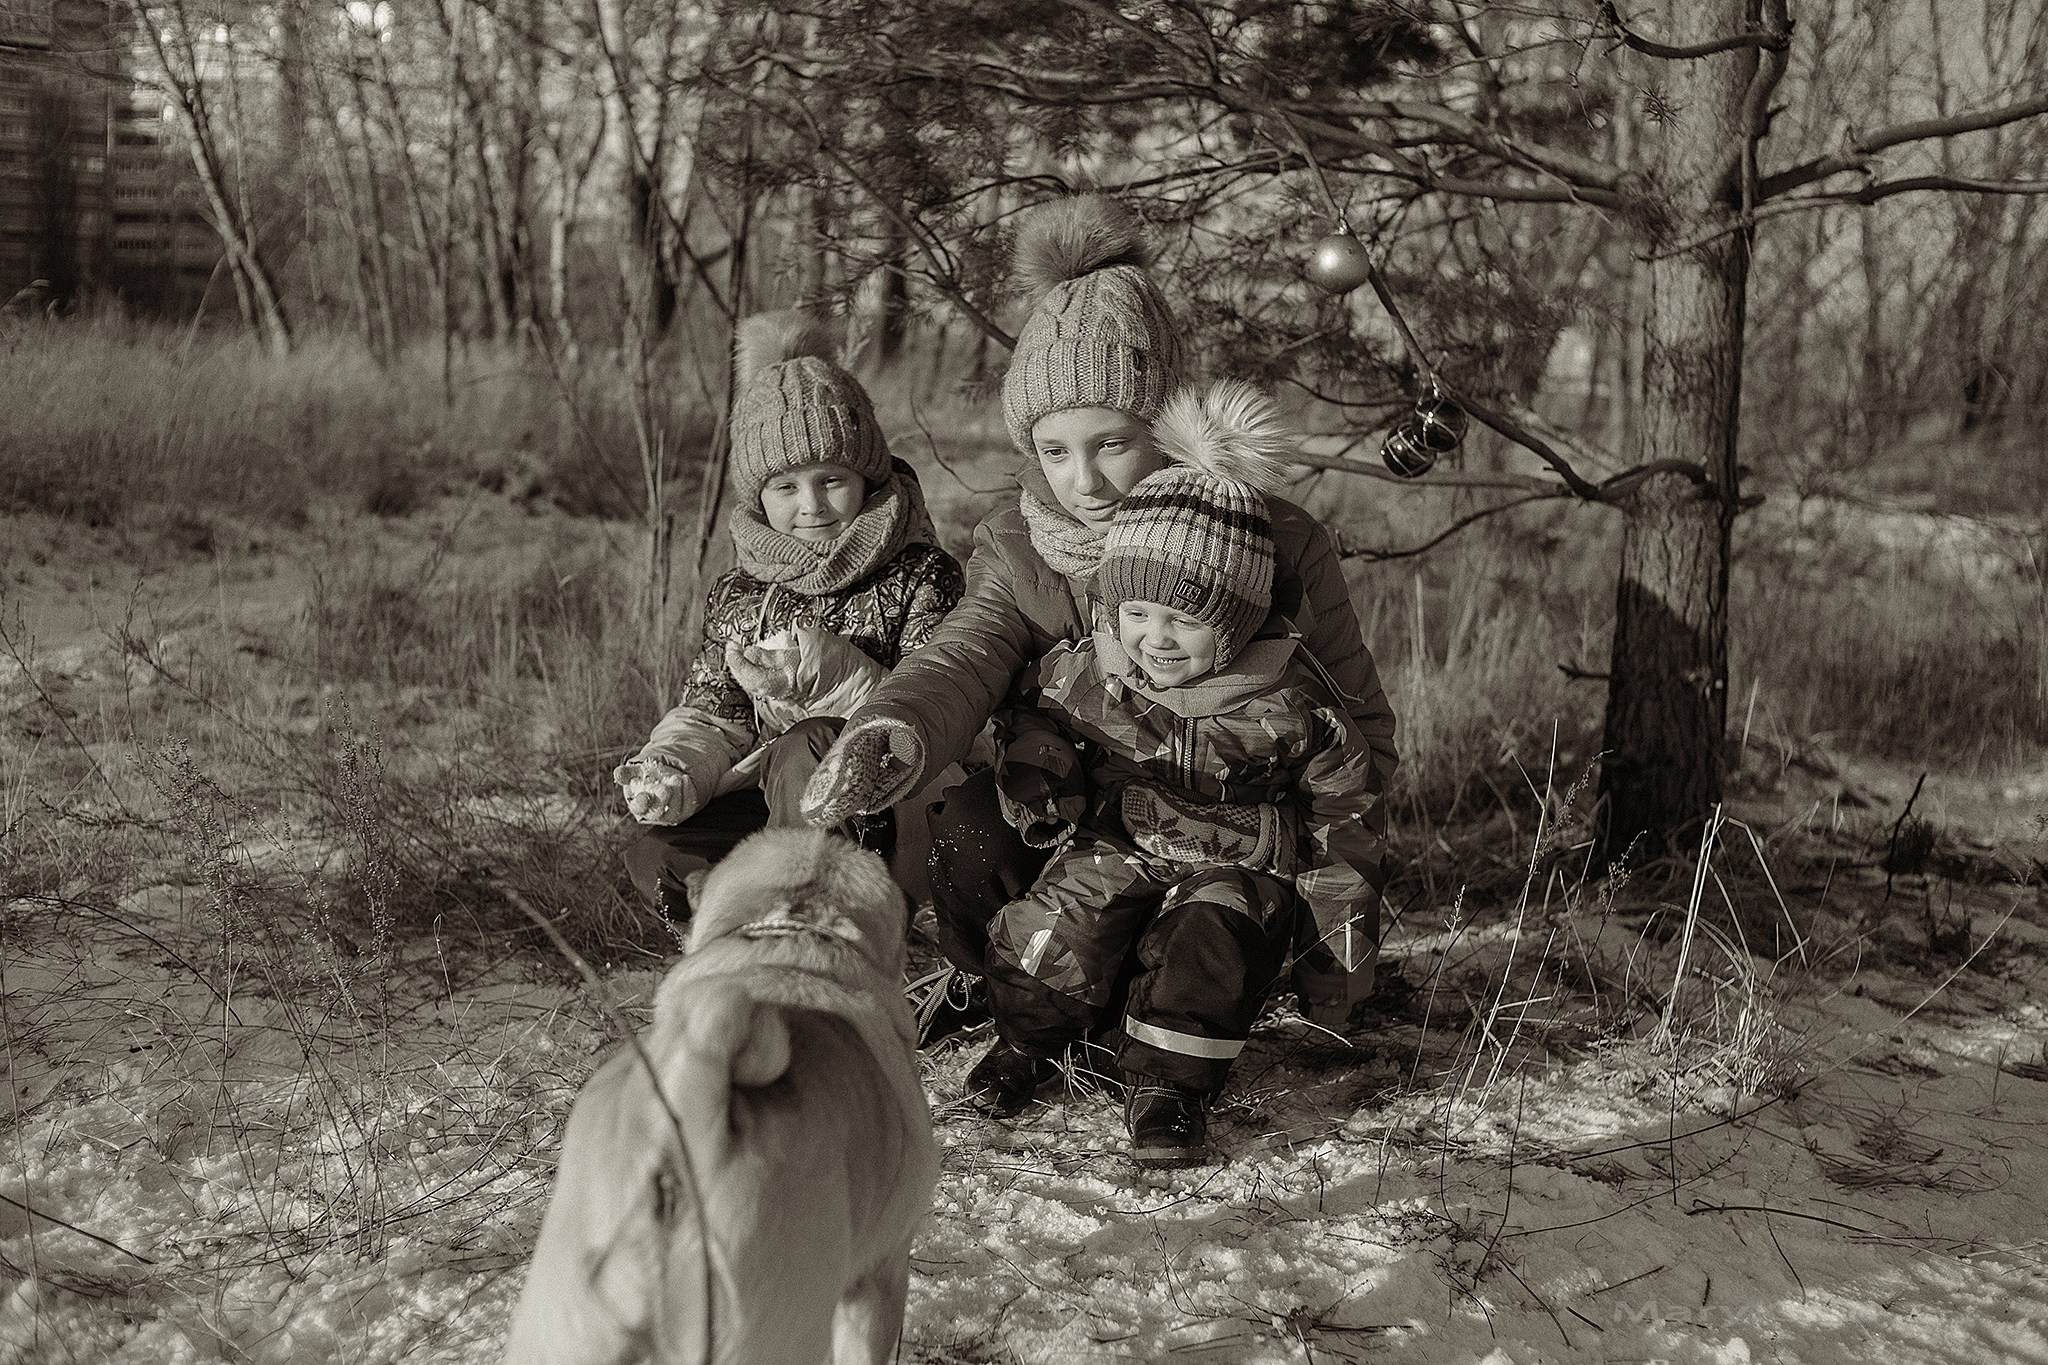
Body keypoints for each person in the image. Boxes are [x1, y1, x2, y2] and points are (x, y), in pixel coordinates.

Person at [799, 193, 1397, 1010]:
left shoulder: (1272, 540)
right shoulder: (1018, 537)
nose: (1083, 482)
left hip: (1232, 841)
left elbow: (1355, 725)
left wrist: (1332, 901)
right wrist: (896, 725)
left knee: (1207, 934)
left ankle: (1177, 994)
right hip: (1073, 819)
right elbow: (965, 652)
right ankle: (1003, 992)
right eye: (1053, 450)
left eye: (1112, 443)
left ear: (1164, 427)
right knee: (972, 829)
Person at [968, 387, 1386, 1168]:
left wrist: (1338, 966)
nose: (1154, 640)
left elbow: (1344, 831)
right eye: (1136, 613)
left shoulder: (1292, 708)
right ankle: (1024, 1041)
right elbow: (1033, 715)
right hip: (1124, 836)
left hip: (1240, 862)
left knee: (1210, 947)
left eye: (1184, 620)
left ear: (1231, 622)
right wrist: (1038, 773)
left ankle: (1168, 1089)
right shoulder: (1094, 672)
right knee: (1056, 924)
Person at [616, 311, 963, 919]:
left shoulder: (922, 575)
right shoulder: (739, 591)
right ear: (758, 495)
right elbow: (714, 711)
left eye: (831, 479)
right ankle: (754, 929)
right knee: (661, 856)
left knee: (809, 744)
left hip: (891, 808)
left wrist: (839, 679)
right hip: (776, 799)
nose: (811, 506)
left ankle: (817, 932)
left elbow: (942, 721)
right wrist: (673, 766)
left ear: (867, 474)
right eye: (785, 487)